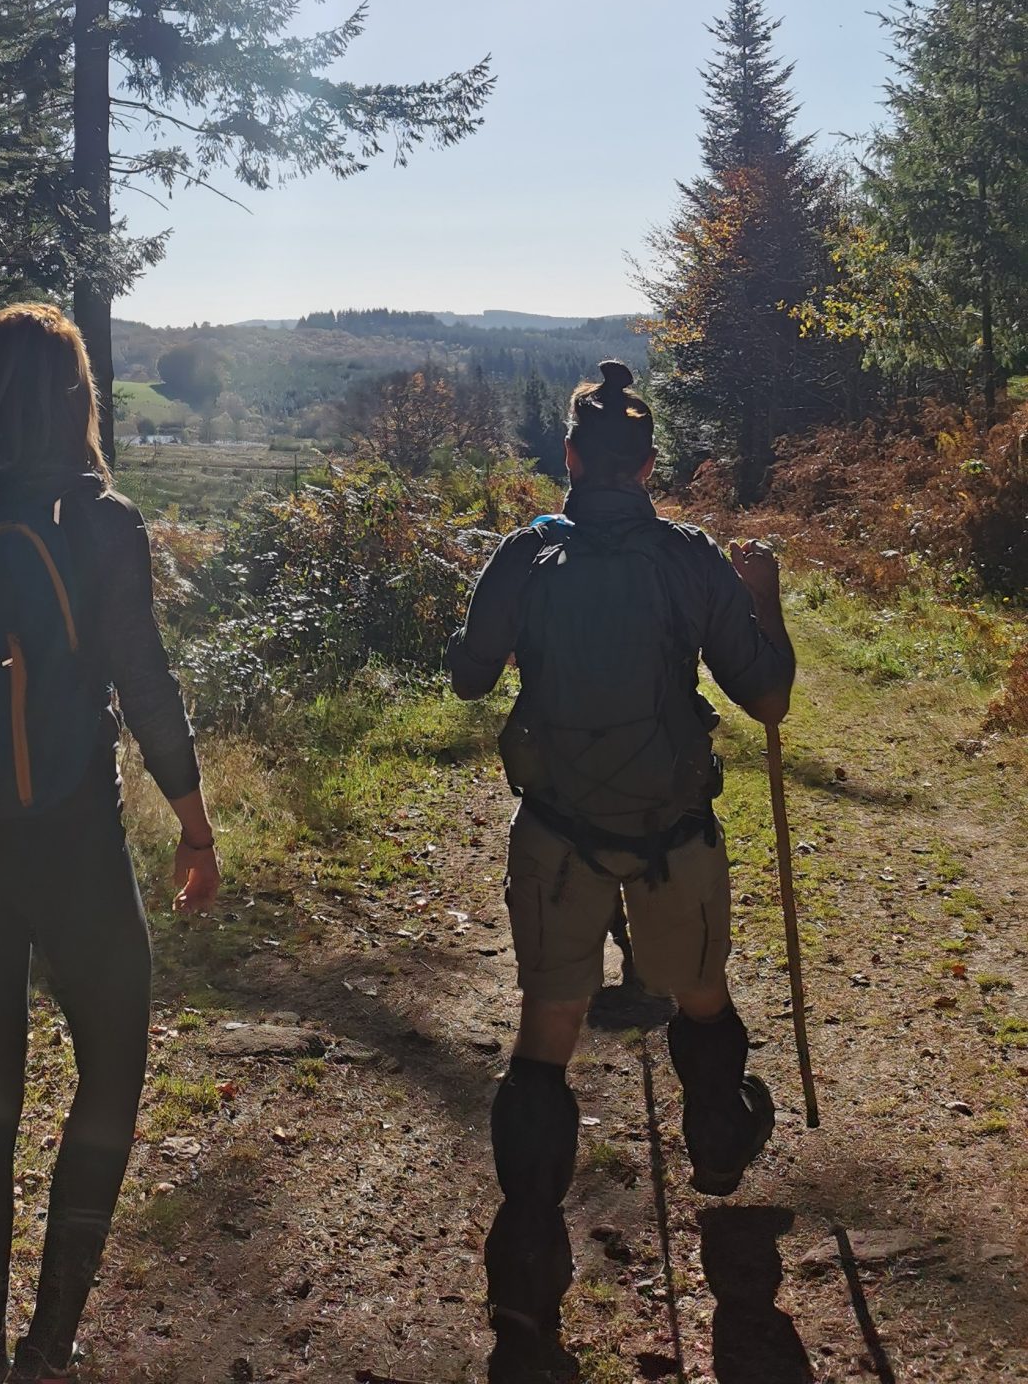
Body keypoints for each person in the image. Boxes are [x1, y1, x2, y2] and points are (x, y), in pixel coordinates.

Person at [0, 304, 219, 1384]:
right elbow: (143, 680)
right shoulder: (96, 516)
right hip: (68, 841)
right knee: (109, 1067)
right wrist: (193, 819)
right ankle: (48, 1343)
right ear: (76, 397)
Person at [448, 360, 795, 1381]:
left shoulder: (523, 554)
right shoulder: (688, 557)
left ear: (568, 457)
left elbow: (471, 675)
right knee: (697, 997)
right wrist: (759, 602)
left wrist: (477, 630)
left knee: (545, 1037)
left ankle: (523, 1289)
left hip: (556, 834)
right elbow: (764, 696)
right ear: (645, 463)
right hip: (669, 832)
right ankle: (719, 1141)